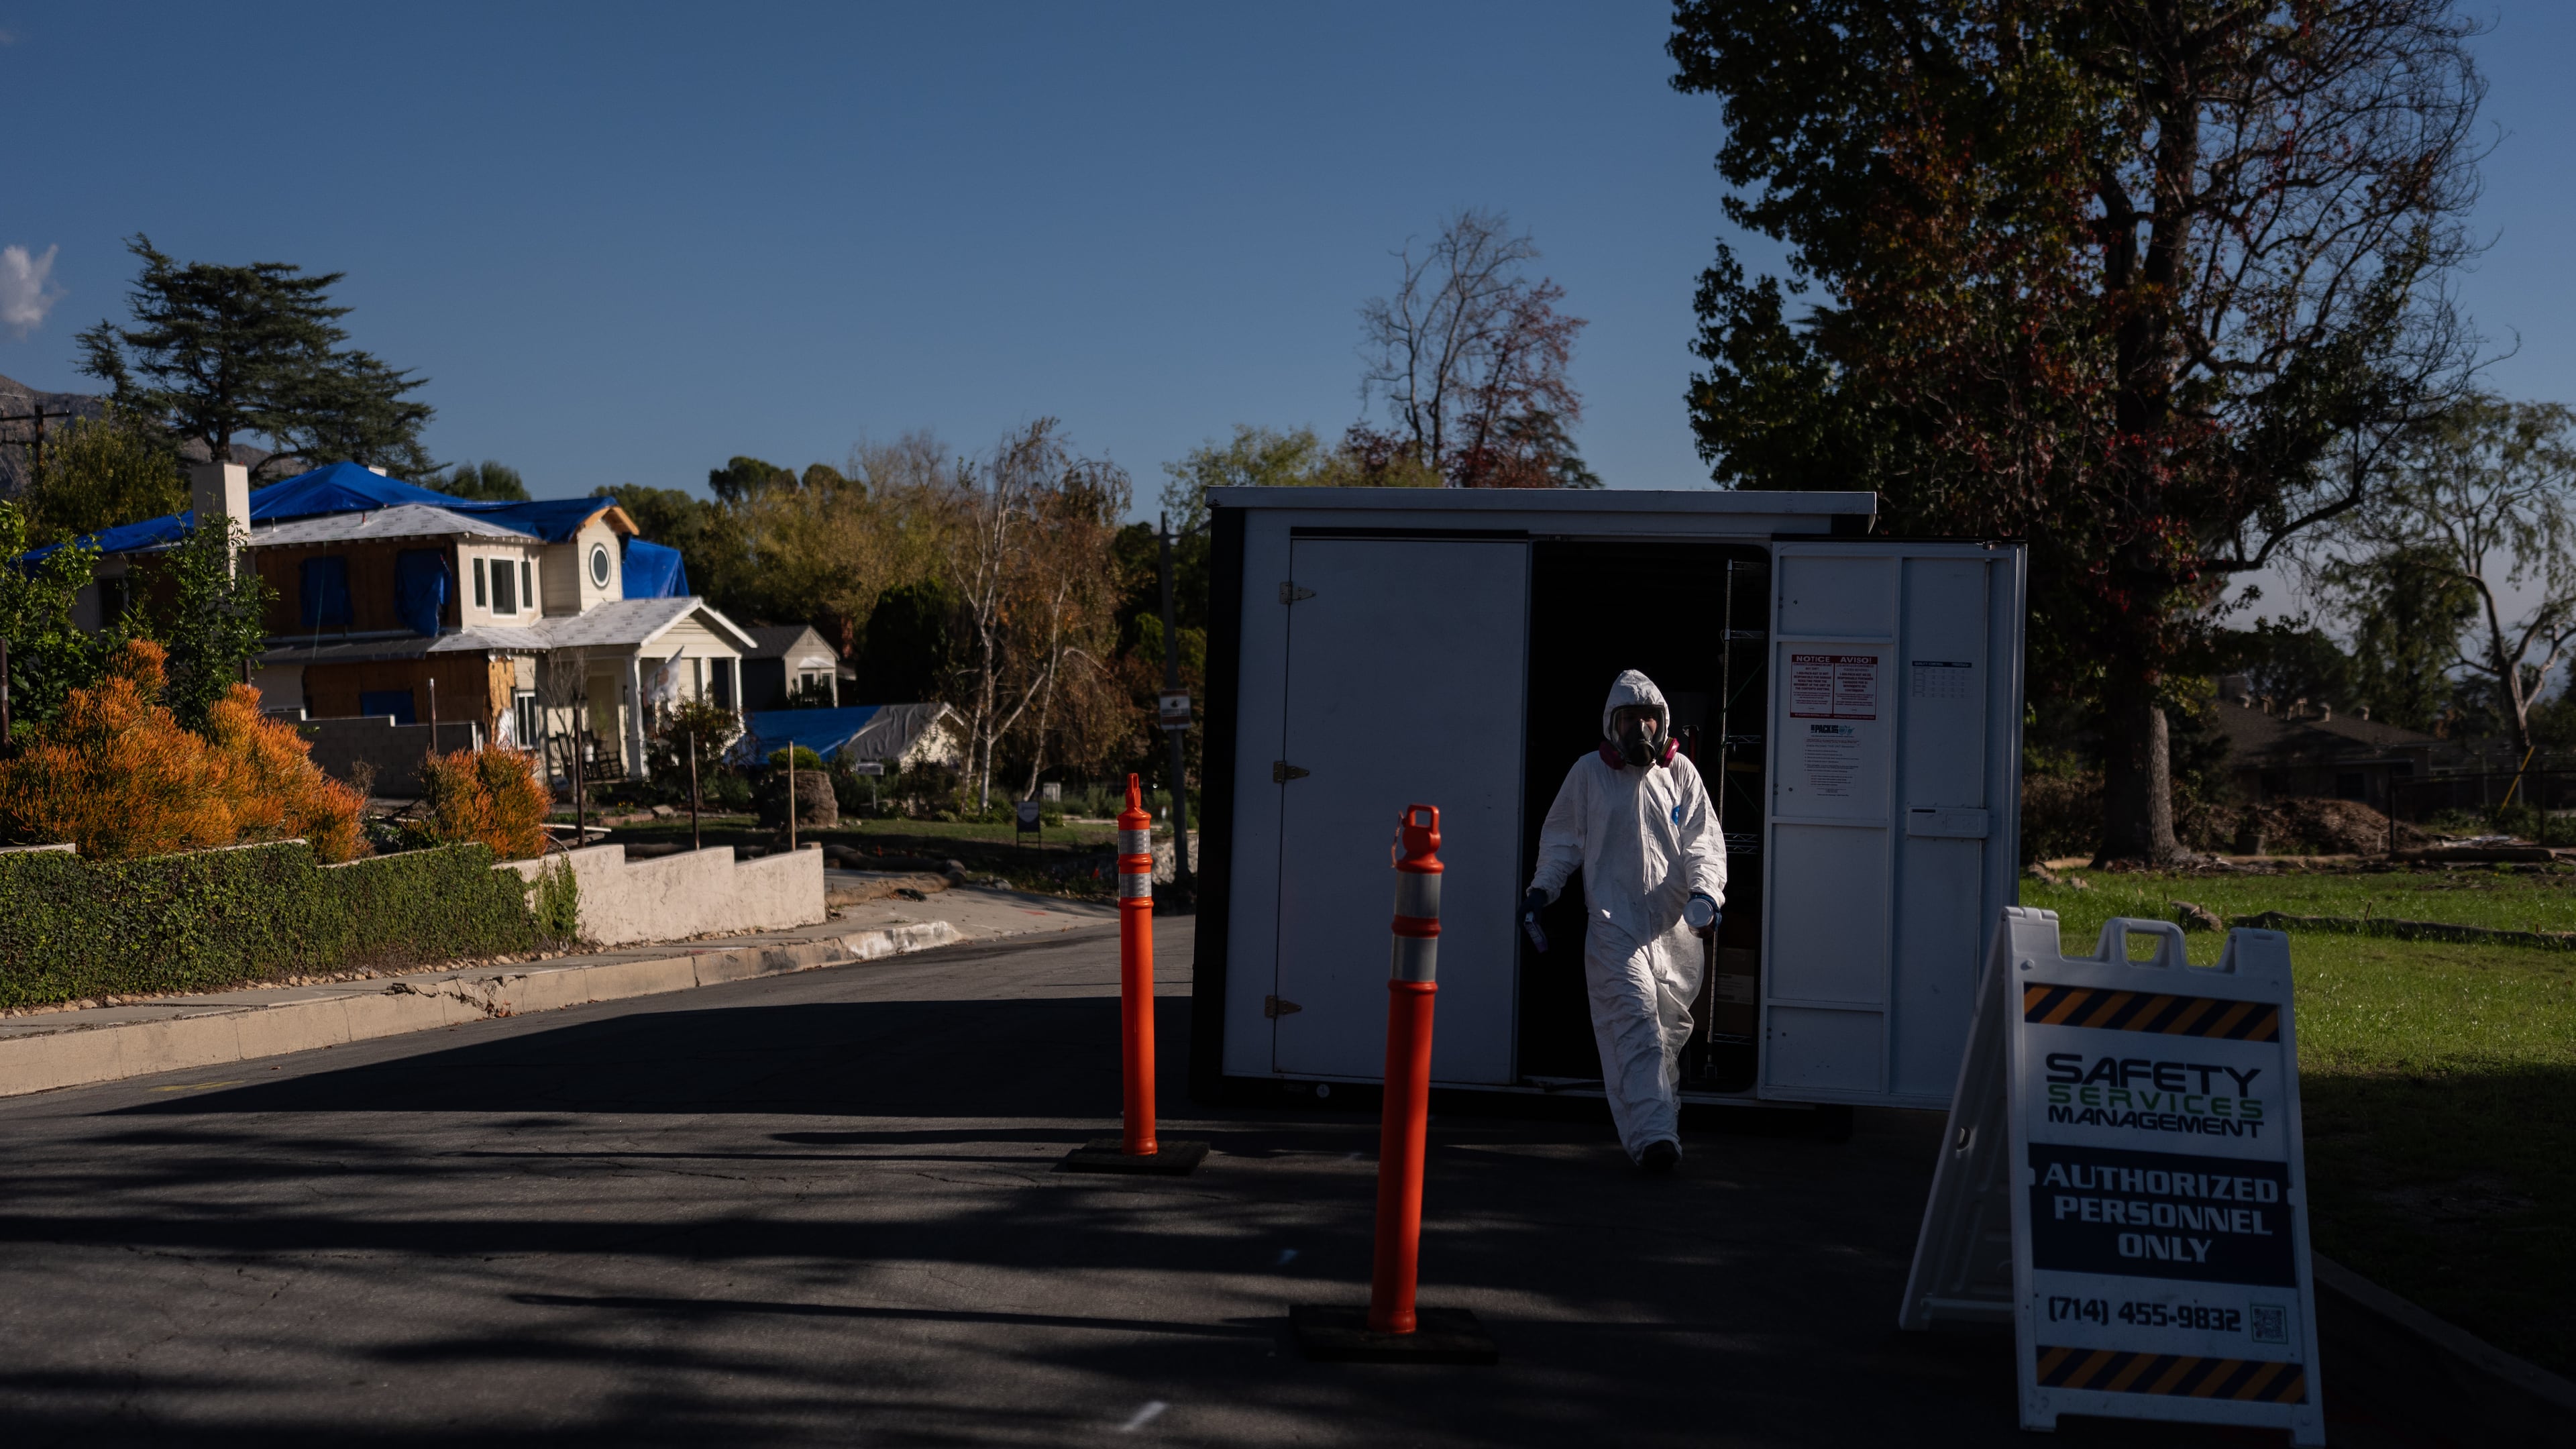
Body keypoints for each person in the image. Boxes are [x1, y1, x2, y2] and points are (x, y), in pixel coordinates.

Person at [1523, 669, 1726, 1174]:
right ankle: (1654, 1140)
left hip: (1674, 929)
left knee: (1667, 1035)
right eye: (1630, 719)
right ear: (1612, 724)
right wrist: (1542, 889)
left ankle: (1661, 1120)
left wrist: (1706, 891)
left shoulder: (1680, 775)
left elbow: (1703, 841)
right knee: (1633, 1026)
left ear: (1663, 724)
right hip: (1616, 926)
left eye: (1650, 719)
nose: (1642, 730)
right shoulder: (1589, 774)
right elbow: (1562, 841)